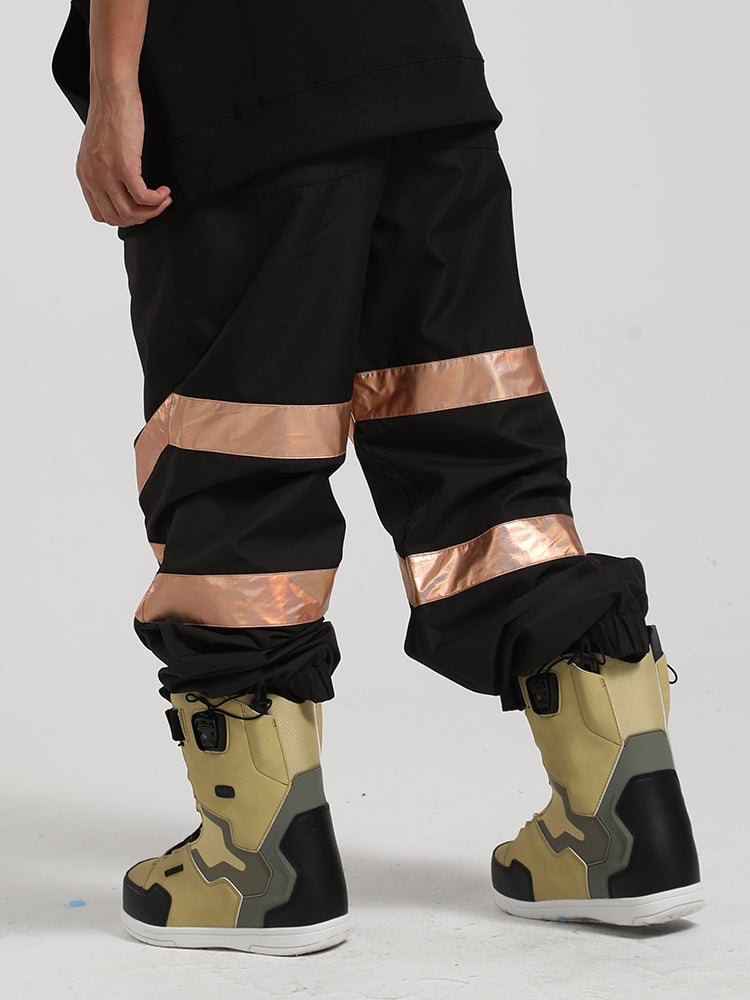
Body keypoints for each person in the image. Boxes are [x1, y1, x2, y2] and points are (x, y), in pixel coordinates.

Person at [51, 0, 703, 954]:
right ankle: (623, 830)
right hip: (423, 74)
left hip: (246, 83)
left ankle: (257, 863)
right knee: (482, 456)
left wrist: (115, 88)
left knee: (243, 456)